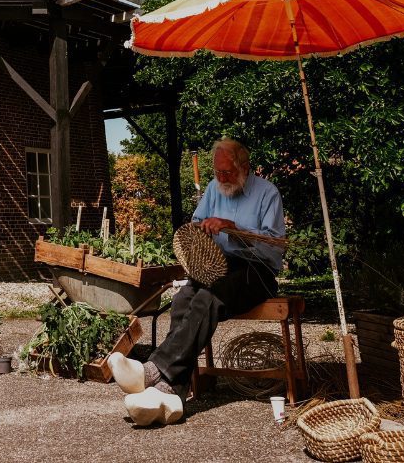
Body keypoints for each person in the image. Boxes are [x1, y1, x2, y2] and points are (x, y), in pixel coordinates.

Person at [109, 137, 285, 411]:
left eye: (228, 172)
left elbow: (274, 248)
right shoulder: (215, 189)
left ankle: (154, 370)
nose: (222, 178)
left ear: (246, 167)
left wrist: (234, 229)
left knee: (207, 299)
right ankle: (172, 394)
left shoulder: (267, 193)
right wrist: (202, 230)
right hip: (216, 267)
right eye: (217, 172)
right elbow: (195, 223)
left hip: (255, 273)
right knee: (182, 300)